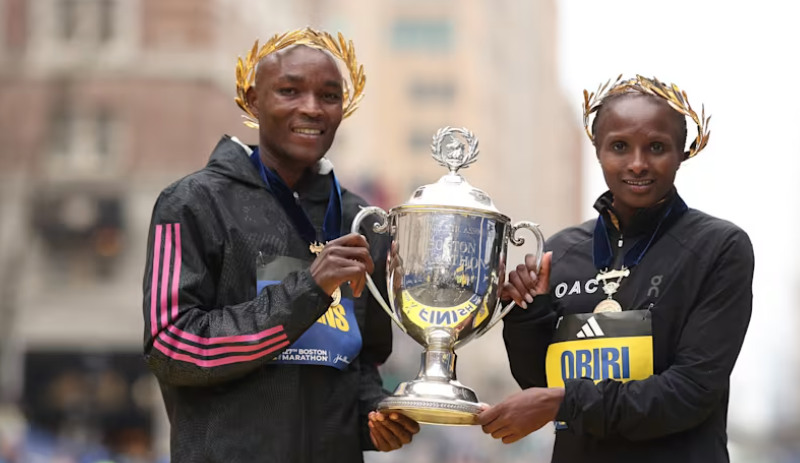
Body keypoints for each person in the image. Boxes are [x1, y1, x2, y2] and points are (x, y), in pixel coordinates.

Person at [141, 28, 419, 463]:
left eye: (329, 96)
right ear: (252, 100)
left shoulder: (360, 220)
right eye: (289, 90)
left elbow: (361, 364)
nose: (311, 108)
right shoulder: (193, 202)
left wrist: (375, 415)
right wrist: (308, 290)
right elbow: (173, 347)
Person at [478, 75, 754, 463]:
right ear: (597, 150)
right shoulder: (561, 252)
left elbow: (690, 392)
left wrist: (566, 401)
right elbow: (539, 386)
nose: (638, 163)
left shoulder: (719, 248)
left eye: (657, 147)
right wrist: (528, 314)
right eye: (620, 146)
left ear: (682, 152)